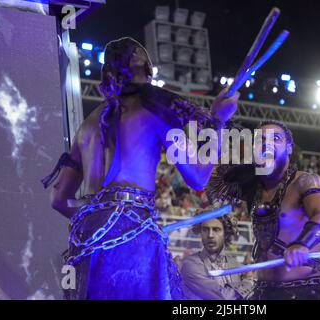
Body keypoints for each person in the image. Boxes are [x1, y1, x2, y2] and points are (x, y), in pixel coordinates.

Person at [41, 37, 239, 299]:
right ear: (145, 67)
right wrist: (218, 121)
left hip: (85, 244)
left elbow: (58, 199)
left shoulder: (87, 126)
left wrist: (99, 214)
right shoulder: (155, 112)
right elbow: (199, 177)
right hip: (133, 242)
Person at [207, 120, 320, 300]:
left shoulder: (306, 181)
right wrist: (219, 122)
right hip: (264, 292)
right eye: (260, 140)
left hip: (307, 292)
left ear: (289, 148)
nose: (266, 144)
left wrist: (302, 244)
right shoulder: (254, 187)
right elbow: (212, 182)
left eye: (275, 139)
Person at [180, 211, 251, 299]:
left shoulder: (234, 264)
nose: (210, 235)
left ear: (225, 234)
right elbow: (224, 297)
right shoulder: (190, 264)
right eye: (205, 229)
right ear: (200, 232)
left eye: (216, 229)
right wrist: (248, 282)